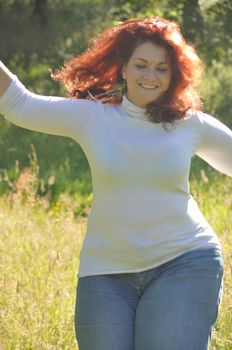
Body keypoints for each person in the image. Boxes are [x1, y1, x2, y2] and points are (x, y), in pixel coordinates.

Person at [0, 17, 231, 350]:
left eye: (161, 68)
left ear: (173, 74)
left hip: (184, 262)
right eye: (141, 65)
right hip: (105, 274)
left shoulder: (190, 124)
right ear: (124, 69)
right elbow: (20, 105)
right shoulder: (93, 117)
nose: (150, 76)